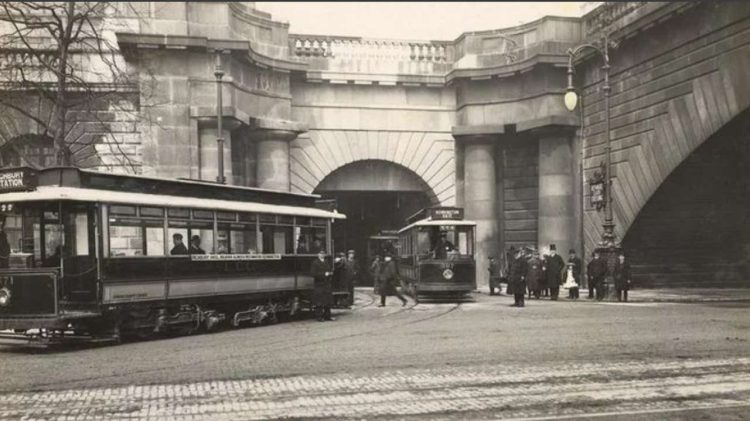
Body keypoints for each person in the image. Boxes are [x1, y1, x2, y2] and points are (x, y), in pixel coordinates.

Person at [310, 250, 334, 321]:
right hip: (319, 284)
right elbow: (313, 274)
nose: (322, 255)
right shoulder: (315, 263)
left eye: (323, 254)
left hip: (326, 283)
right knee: (319, 302)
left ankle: (328, 316)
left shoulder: (326, 262)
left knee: (327, 301)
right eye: (320, 254)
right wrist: (324, 274)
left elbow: (329, 270)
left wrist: (330, 274)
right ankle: (319, 317)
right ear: (318, 255)